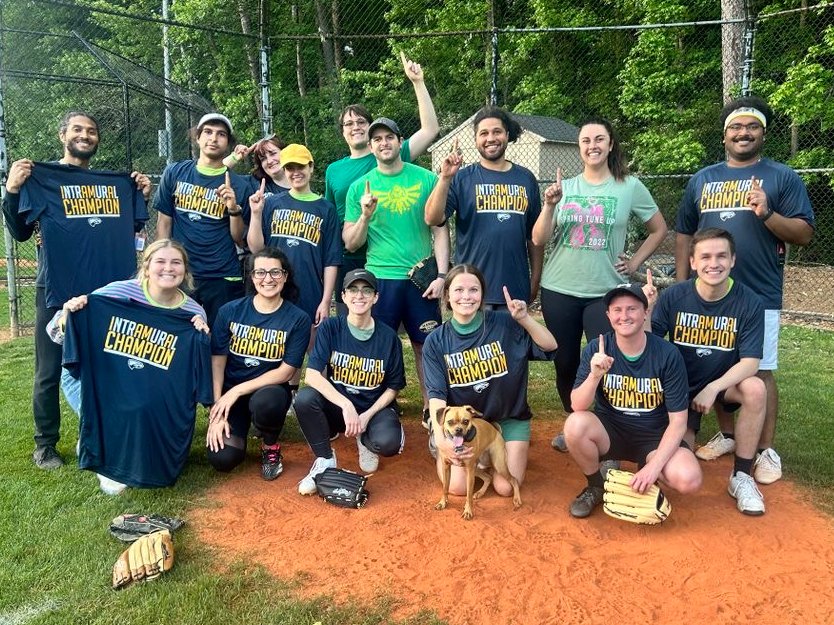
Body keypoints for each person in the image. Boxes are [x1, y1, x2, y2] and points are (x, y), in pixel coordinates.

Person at [675, 95, 815, 483]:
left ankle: (765, 451)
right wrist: (684, 284)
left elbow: (804, 233)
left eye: (752, 127)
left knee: (760, 373)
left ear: (763, 134)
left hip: (759, 292)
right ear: (724, 136)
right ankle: (729, 434)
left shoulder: (781, 177)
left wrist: (767, 213)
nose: (743, 133)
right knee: (715, 363)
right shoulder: (704, 179)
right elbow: (685, 231)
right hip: (707, 294)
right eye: (736, 127)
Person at [2, 110, 151, 470]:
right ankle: (45, 444)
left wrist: (140, 192)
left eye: (92, 131)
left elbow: (137, 232)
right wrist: (12, 190)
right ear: (62, 135)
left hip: (107, 294)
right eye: (78, 129)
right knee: (50, 368)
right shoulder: (43, 179)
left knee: (113, 363)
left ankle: (111, 431)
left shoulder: (118, 184)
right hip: (57, 289)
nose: (86, 136)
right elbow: (21, 233)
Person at [531, 116, 668, 453]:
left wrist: (634, 263)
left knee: (607, 360)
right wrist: (549, 205)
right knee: (564, 361)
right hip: (560, 287)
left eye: (599, 139)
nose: (592, 146)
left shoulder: (629, 187)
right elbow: (538, 238)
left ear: (610, 144)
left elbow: (659, 228)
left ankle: (607, 426)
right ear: (579, 148)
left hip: (606, 292)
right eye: (586, 141)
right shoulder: (567, 188)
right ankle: (575, 421)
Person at [56, 239, 212, 494]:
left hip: (143, 385)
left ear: (185, 270)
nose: (168, 268)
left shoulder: (192, 313)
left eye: (176, 263)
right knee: (117, 412)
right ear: (147, 266)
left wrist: (200, 336)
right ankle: (96, 436)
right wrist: (69, 314)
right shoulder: (116, 294)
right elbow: (58, 332)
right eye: (160, 261)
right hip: (100, 379)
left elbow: (191, 369)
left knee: (144, 410)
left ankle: (114, 438)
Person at [649, 228, 767, 514]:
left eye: (721, 256)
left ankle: (741, 476)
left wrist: (714, 387)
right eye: (705, 256)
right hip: (680, 390)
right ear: (692, 262)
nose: (713, 263)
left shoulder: (749, 301)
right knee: (678, 470)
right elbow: (648, 344)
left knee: (755, 388)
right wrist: (649, 310)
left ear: (733, 260)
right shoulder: (674, 296)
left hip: (721, 386)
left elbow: (750, 363)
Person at [564, 283, 701, 519]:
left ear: (645, 312)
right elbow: (577, 406)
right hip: (611, 431)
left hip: (654, 437)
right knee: (575, 425)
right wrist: (595, 375)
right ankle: (596, 485)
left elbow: (678, 422)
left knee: (689, 479)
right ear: (608, 315)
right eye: (617, 310)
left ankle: (648, 476)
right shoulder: (597, 348)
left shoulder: (667, 354)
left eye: (632, 309)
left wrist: (653, 467)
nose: (624, 316)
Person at [344, 117, 450, 419]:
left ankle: (433, 407)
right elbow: (351, 243)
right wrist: (365, 215)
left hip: (420, 280)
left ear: (399, 141)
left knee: (426, 345)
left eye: (389, 137)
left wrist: (442, 275)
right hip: (381, 280)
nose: (383, 143)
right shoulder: (359, 188)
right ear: (371, 145)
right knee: (378, 346)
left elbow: (440, 228)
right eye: (377, 139)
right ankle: (380, 406)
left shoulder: (426, 179)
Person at [422, 264, 557, 498]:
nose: (466, 296)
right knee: (456, 489)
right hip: (466, 425)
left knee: (505, 488)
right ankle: (476, 452)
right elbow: (436, 397)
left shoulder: (504, 325)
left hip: (510, 416)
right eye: (458, 290)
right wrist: (440, 435)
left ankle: (498, 448)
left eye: (473, 290)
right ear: (447, 295)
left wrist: (524, 319)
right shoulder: (436, 341)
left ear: (482, 294)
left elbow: (550, 346)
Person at [325, 51, 439, 312]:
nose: (355, 126)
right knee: (352, 326)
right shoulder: (334, 170)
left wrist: (417, 83)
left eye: (361, 121)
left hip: (387, 258)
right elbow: (333, 217)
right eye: (348, 123)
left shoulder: (390, 154)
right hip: (350, 254)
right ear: (342, 131)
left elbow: (430, 130)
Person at [295, 268, 406, 494]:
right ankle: (325, 459)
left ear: (376, 297)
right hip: (340, 408)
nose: (359, 296)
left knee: (388, 443)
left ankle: (365, 440)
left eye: (367, 291)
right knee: (305, 399)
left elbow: (393, 387)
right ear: (343, 297)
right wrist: (346, 405)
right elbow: (312, 375)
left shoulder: (388, 337)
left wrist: (365, 415)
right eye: (353, 290)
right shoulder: (331, 327)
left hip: (372, 408)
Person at [206, 248, 311, 480]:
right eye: (260, 272)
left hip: (268, 389)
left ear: (285, 276)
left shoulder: (298, 318)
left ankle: (270, 446)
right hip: (230, 392)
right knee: (222, 459)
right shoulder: (229, 311)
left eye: (275, 272)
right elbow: (217, 363)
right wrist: (217, 412)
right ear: (252, 277)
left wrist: (238, 390)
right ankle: (237, 425)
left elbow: (286, 371)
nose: (268, 279)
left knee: (268, 402)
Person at [424, 106, 543, 307]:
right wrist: (445, 178)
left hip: (514, 290)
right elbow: (432, 218)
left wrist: (535, 280)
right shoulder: (461, 178)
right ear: (476, 139)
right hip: (471, 292)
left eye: (497, 131)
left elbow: (535, 238)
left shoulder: (526, 179)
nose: (491, 138)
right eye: (484, 133)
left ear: (507, 134)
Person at [155, 112, 254, 326]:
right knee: (178, 337)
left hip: (221, 275)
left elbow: (239, 238)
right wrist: (160, 262)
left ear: (228, 143)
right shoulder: (175, 172)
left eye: (221, 134)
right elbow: (164, 221)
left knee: (219, 342)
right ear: (198, 138)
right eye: (207, 132)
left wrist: (234, 209)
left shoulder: (238, 185)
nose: (213, 138)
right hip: (181, 272)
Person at [247, 143, 341, 328]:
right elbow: (256, 248)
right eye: (290, 167)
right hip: (273, 287)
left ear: (311, 167)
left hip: (310, 289)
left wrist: (325, 301)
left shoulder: (326, 209)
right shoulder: (272, 203)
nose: (295, 172)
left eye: (301, 166)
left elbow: (331, 260)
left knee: (312, 348)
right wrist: (256, 214)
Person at [224, 133, 291, 197]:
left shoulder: (300, 182)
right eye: (263, 158)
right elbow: (216, 175)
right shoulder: (253, 184)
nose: (269, 161)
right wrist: (235, 157)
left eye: (273, 153)